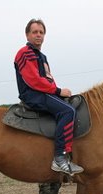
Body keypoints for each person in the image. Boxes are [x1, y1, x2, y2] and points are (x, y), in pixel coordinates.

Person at [14, 19, 83, 176]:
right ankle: (59, 158)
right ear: (27, 34)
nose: (38, 35)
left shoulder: (42, 56)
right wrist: (58, 91)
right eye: (35, 32)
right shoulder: (25, 53)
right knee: (68, 112)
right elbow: (34, 80)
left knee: (67, 105)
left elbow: (47, 79)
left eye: (41, 32)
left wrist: (57, 92)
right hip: (33, 94)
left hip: (43, 92)